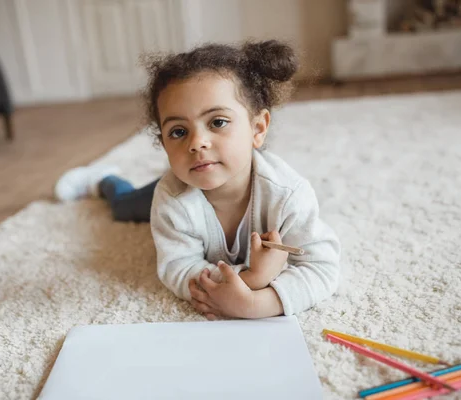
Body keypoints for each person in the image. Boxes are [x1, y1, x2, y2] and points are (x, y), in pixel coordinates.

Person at [54, 40, 341, 320]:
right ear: (164, 144)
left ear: (258, 128)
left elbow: (322, 267)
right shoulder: (170, 199)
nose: (197, 143)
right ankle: (104, 179)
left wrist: (256, 304)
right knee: (123, 206)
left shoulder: (288, 194)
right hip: (177, 190)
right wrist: (252, 278)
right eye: (178, 132)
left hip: (195, 185)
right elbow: (178, 268)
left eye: (217, 122)